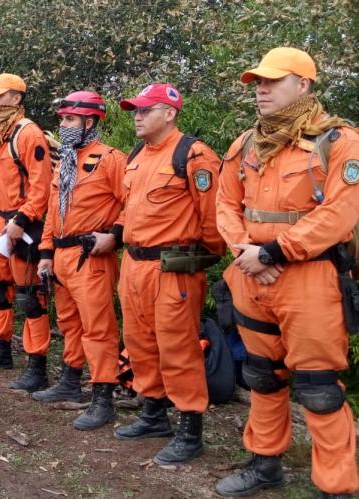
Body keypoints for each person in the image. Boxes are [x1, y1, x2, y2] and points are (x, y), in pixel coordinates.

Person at [214, 47, 359, 498]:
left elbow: (340, 213)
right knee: (261, 375)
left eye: (273, 81)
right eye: (258, 82)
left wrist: (273, 253)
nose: (261, 89)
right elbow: (224, 203)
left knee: (318, 387)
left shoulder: (339, 142)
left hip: (309, 279)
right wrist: (245, 253)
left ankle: (336, 487)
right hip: (251, 275)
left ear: (305, 85)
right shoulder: (245, 143)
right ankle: (265, 464)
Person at [113, 83, 225, 465]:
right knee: (140, 343)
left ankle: (190, 430)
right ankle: (153, 414)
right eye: (136, 110)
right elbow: (130, 209)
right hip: (133, 265)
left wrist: (198, 259)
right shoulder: (138, 155)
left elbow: (214, 220)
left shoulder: (193, 155)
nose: (137, 116)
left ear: (170, 113)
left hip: (172, 269)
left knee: (178, 349)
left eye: (146, 110)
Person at [33, 91, 126, 431]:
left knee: (98, 329)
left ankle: (104, 398)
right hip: (61, 256)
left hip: (90, 256)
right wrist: (45, 253)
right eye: (63, 119)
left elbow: (133, 204)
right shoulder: (65, 161)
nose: (63, 125)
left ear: (89, 122)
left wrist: (115, 236)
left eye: (70, 120)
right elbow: (51, 213)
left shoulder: (112, 160)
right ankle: (70, 378)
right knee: (70, 324)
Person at [0, 73, 53, 396]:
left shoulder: (28, 135)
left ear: (16, 98)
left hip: (19, 225)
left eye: (0, 97)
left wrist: (21, 219)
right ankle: (1, 350)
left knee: (31, 297)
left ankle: (37, 364)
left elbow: (41, 188)